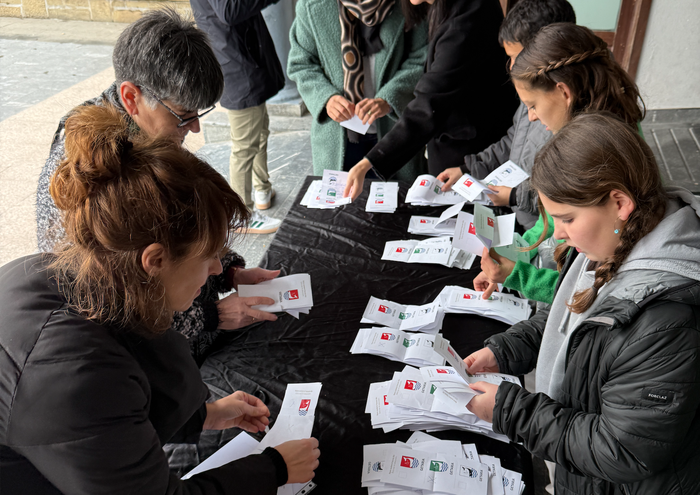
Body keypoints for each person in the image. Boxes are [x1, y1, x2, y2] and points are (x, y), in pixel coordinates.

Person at [0, 104, 320, 494]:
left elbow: (138, 371)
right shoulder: (71, 375)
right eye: (209, 257)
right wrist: (275, 468)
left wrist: (206, 415)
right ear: (155, 260)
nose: (219, 270)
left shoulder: (70, 274)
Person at [463, 112, 700, 495]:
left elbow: (621, 449)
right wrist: (506, 350)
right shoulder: (612, 240)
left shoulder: (667, 323)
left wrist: (511, 412)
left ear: (619, 202)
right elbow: (575, 318)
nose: (558, 233)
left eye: (567, 218)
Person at [35, 9, 281, 362]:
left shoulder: (147, 130)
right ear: (131, 97)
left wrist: (227, 272)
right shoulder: (83, 166)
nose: (194, 129)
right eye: (184, 114)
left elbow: (182, 233)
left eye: (200, 113)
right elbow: (100, 302)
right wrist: (211, 316)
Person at [472, 22, 645, 304]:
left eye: (533, 105)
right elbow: (550, 220)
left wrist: (518, 274)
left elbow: (592, 291)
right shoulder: (594, 139)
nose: (531, 117)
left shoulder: (596, 157)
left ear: (564, 92)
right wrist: (518, 253)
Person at [343, 0, 517, 199]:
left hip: (472, 149)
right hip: (454, 141)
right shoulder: (441, 8)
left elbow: (427, 107)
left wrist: (370, 162)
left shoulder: (468, 19)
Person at [436, 0, 576, 230]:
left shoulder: (578, 117)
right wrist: (469, 169)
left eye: (516, 58)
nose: (510, 67)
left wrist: (514, 196)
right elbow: (514, 140)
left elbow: (569, 194)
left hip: (548, 233)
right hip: (527, 224)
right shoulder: (535, 91)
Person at [287, 0, 429, 177]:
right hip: (338, 137)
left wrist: (389, 98)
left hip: (394, 131)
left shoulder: (409, 3)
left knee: (397, 202)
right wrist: (326, 99)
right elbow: (301, 64)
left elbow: (422, 57)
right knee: (339, 202)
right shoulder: (312, 5)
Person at [190, 0, 285, 234]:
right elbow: (229, 11)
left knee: (259, 131)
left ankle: (262, 189)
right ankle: (241, 214)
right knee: (244, 146)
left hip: (244, 58)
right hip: (237, 66)